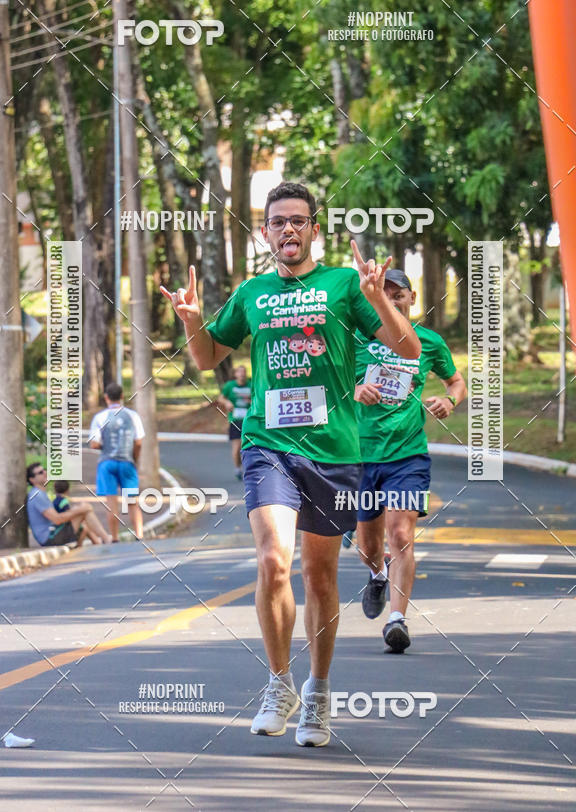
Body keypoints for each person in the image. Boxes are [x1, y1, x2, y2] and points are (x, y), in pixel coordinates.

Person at [161, 181, 421, 747]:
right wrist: (190, 319)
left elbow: (408, 350)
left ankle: (318, 694)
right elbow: (207, 356)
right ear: (265, 233)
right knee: (273, 561)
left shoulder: (344, 284)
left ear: (314, 230)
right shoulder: (252, 292)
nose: (288, 230)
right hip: (268, 445)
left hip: (333, 452)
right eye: (277, 222)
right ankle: (279, 684)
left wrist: (378, 298)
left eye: (298, 221)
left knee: (318, 577)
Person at [354, 268, 466, 653]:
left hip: (408, 455)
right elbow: (329, 384)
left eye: (397, 294)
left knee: (400, 535)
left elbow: (455, 381)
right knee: (366, 546)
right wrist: (354, 389)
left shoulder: (428, 342)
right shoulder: (354, 337)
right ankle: (377, 572)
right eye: (382, 293)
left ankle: (397, 620)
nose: (390, 299)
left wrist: (449, 400)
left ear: (411, 298)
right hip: (359, 457)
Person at [89, 383, 145, 541]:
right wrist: (135, 458)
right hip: (127, 462)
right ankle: (139, 534)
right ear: (122, 396)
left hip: (107, 463)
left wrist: (105, 445)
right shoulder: (132, 416)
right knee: (132, 500)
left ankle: (114, 537)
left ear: (106, 397)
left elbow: (94, 443)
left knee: (111, 502)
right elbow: (139, 442)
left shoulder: (100, 417)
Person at [26, 464, 112, 546]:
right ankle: (106, 540)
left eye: (44, 470)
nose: (45, 473)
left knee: (84, 522)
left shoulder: (40, 493)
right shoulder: (37, 495)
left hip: (52, 533)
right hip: (49, 538)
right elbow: (57, 519)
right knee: (84, 512)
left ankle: (102, 541)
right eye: (40, 472)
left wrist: (77, 509)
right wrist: (79, 509)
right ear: (32, 479)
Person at [217, 365, 252, 478]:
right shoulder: (230, 386)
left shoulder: (251, 385)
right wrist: (227, 402)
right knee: (237, 447)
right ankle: (237, 468)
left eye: (244, 372)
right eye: (240, 372)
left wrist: (252, 402)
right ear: (235, 374)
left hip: (249, 420)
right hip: (235, 419)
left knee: (249, 447)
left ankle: (249, 469)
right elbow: (220, 398)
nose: (242, 374)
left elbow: (258, 399)